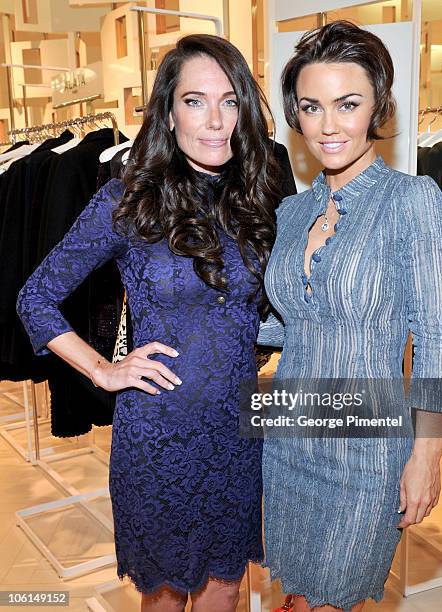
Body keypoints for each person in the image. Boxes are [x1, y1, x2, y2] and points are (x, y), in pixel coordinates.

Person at [17, 34, 289, 612]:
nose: (215, 121)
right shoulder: (129, 200)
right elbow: (34, 296)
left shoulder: (256, 196)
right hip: (158, 435)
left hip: (238, 431)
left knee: (225, 586)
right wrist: (104, 371)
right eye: (195, 101)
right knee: (164, 596)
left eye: (230, 101)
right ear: (168, 111)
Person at [257, 21, 442, 612]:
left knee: (334, 600)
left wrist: (425, 456)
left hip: (366, 449)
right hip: (289, 434)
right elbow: (286, 322)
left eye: (348, 104)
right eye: (312, 107)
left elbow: (435, 341)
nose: (328, 125)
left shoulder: (413, 202)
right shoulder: (292, 212)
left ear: (378, 106)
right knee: (292, 595)